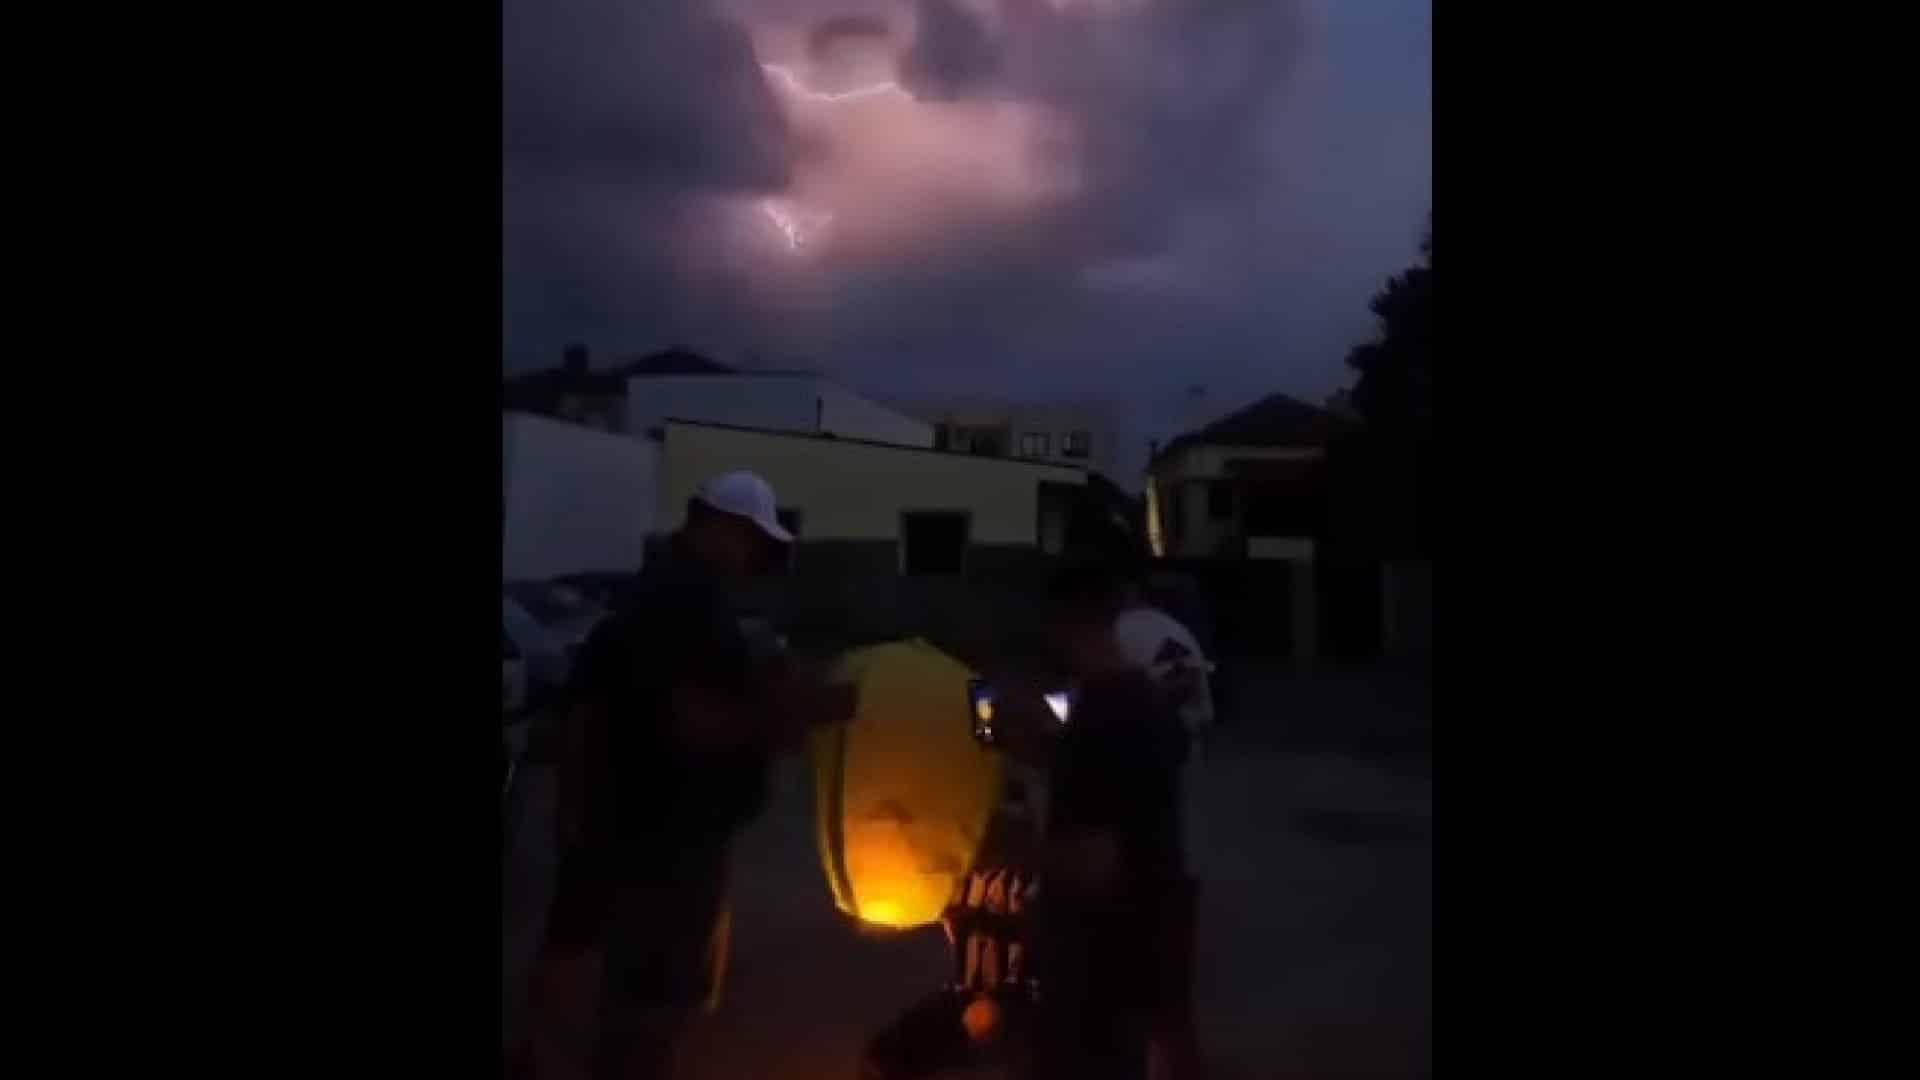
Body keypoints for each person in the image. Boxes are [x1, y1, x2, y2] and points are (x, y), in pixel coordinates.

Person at [527, 471, 850, 1080]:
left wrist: (574, 806)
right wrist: (794, 712)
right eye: (753, 539)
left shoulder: (645, 596)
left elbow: (587, 706)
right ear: (723, 527)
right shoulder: (688, 603)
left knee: (585, 946)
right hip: (668, 832)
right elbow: (693, 721)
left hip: (617, 816)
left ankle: (538, 1057)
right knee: (653, 989)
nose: (755, 556)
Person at [1028, 563, 1204, 1080]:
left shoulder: (1101, 715)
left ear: (1062, 622)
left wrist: (997, 847)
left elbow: (1092, 860)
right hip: (1141, 942)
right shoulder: (1140, 700)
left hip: (1094, 964)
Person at [860, 781, 1044, 1080]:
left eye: (1004, 823)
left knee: (1023, 1051)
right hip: (965, 995)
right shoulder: (962, 877)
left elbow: (1044, 940)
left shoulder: (1031, 882)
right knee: (884, 1055)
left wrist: (1001, 1002)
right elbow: (928, 904)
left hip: (1021, 1001)